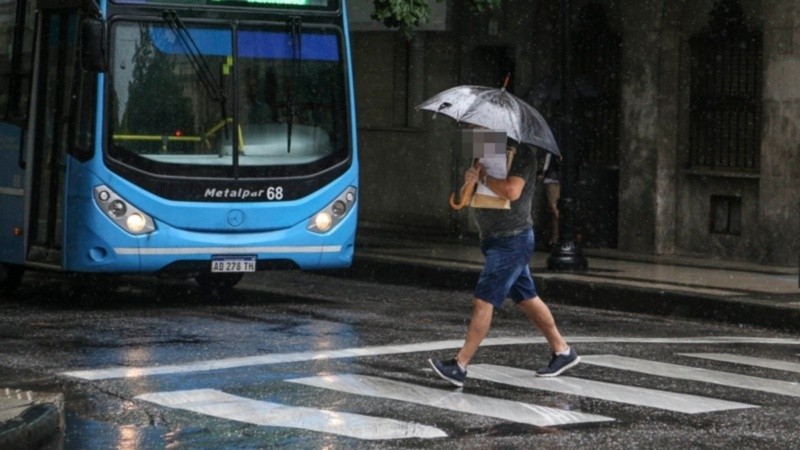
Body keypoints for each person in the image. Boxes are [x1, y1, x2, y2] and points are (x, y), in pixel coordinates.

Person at [427, 139, 579, 387]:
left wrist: (484, 177)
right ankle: (563, 351)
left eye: (480, 127)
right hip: (493, 239)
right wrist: (471, 179)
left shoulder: (523, 154)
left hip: (512, 240)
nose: (476, 130)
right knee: (526, 298)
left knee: (483, 300)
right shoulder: (485, 148)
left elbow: (512, 191)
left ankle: (460, 365)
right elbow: (472, 191)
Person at [539, 152, 561, 248]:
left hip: (552, 177)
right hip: (559, 177)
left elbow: (547, 162)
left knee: (554, 207)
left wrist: (542, 173)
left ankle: (556, 237)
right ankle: (555, 238)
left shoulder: (551, 148)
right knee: (554, 209)